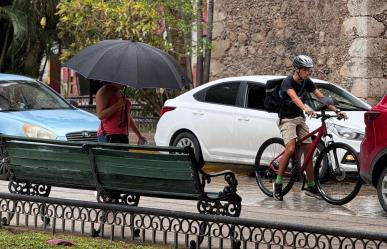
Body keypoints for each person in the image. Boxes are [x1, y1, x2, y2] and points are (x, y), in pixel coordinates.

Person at [273, 55, 348, 201]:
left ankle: (312, 186)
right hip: (287, 119)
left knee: (308, 152)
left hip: (299, 118)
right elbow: (294, 98)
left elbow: (322, 98)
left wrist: (337, 111)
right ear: (297, 69)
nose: (308, 73)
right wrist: (306, 108)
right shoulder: (287, 82)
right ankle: (278, 184)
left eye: (310, 70)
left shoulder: (307, 82)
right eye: (306, 70)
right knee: (290, 149)